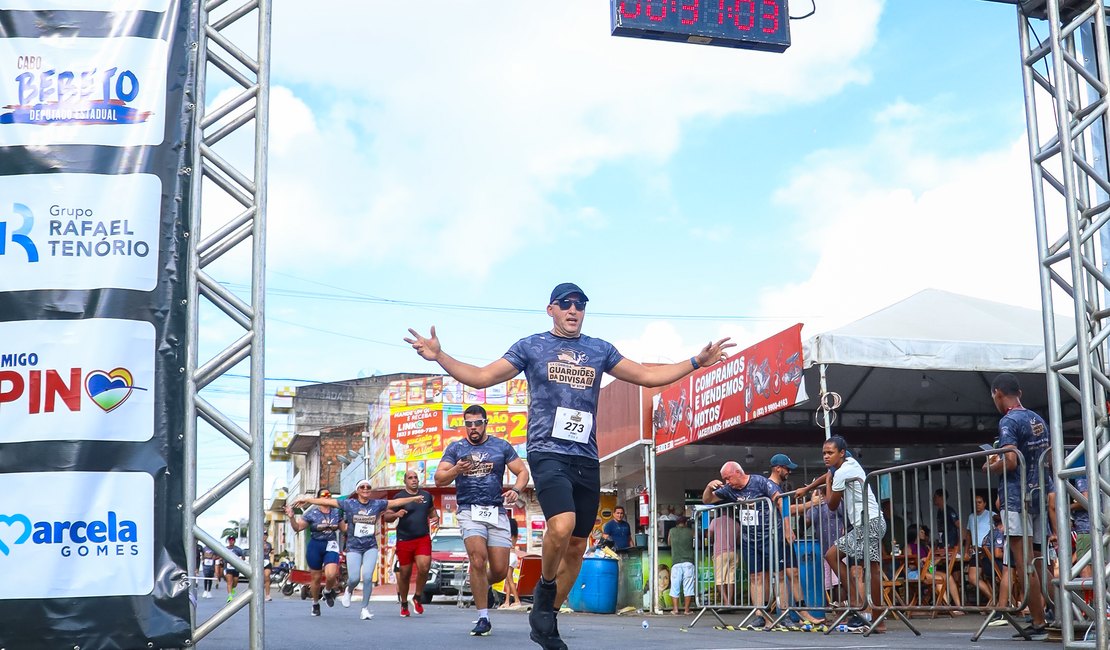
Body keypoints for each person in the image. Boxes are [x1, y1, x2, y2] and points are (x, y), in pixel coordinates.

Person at [407, 282, 734, 650]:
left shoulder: (598, 350)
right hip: (548, 452)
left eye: (580, 305)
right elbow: (482, 377)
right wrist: (440, 356)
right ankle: (545, 593)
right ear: (551, 310)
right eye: (566, 305)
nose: (573, 310)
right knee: (560, 526)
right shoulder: (532, 346)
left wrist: (695, 362)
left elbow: (645, 376)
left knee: (578, 545)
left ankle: (547, 620)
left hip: (585, 457)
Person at [435, 404, 530, 637]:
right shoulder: (456, 448)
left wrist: (516, 490)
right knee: (478, 560)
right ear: (465, 425)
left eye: (478, 423)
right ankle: (483, 617)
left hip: (496, 511)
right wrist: (457, 469)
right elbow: (439, 479)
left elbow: (522, 472)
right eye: (469, 424)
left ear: (486, 423)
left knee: (498, 571)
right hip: (469, 510)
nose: (473, 428)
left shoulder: (501, 446)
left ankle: (477, 583)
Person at [983, 373, 1054, 641]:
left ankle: (1038, 621)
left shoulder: (1008, 421)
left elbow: (1011, 461)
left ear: (998, 393)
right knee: (1040, 561)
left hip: (1016, 499)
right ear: (1020, 392)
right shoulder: (1038, 419)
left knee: (1024, 563)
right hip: (1038, 495)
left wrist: (991, 465)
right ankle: (1057, 615)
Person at [292, 480, 425, 621]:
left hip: (370, 546)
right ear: (358, 490)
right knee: (354, 578)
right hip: (353, 547)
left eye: (368, 487)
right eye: (362, 487)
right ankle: (349, 589)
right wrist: (305, 499)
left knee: (367, 577)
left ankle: (365, 609)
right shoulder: (350, 504)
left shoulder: (376, 504)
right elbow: (329, 502)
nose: (366, 489)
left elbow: (395, 502)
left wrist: (414, 498)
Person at [702, 461, 779, 629]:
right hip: (748, 538)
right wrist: (709, 487)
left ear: (738, 472)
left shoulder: (758, 482)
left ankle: (778, 613)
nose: (727, 482)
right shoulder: (730, 490)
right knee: (754, 577)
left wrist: (786, 526)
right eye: (724, 479)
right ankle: (759, 614)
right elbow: (707, 499)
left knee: (773, 574)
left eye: (728, 478)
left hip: (768, 535)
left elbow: (778, 500)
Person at [822, 435, 886, 634]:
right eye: (824, 453)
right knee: (832, 555)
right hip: (862, 525)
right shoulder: (849, 464)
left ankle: (878, 618)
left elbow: (832, 505)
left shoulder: (841, 473)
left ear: (841, 453)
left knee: (872, 568)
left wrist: (828, 482)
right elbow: (828, 474)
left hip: (870, 523)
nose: (825, 456)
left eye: (830, 453)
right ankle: (858, 604)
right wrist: (808, 487)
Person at [767, 453, 821, 627]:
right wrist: (789, 528)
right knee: (782, 575)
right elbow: (784, 509)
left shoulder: (778, 487)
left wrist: (808, 505)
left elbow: (786, 509)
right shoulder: (770, 486)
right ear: (778, 468)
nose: (789, 471)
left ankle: (801, 610)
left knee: (793, 573)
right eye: (787, 468)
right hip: (775, 535)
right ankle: (784, 614)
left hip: (781, 534)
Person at [383, 469, 439, 617]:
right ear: (405, 481)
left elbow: (432, 511)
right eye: (410, 478)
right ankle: (403, 603)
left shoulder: (426, 495)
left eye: (415, 477)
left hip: (422, 538)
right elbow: (386, 516)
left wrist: (435, 517)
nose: (414, 480)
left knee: (425, 566)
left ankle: (417, 597)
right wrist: (396, 514)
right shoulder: (399, 497)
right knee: (405, 574)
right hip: (404, 539)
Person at [284, 488, 344, 617]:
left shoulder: (336, 513)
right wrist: (292, 517)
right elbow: (298, 528)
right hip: (315, 546)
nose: (327, 497)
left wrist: (358, 520)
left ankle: (327, 591)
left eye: (329, 495)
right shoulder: (312, 513)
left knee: (331, 574)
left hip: (331, 544)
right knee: (316, 578)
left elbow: (344, 528)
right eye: (323, 495)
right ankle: (315, 603)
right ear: (318, 498)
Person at [705, 509, 739, 606]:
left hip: (720, 553)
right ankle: (730, 602)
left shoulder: (715, 521)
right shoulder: (736, 523)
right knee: (730, 579)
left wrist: (713, 541)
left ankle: (726, 602)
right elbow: (738, 540)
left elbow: (709, 535)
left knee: (719, 579)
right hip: (733, 553)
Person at [667, 515, 695, 616]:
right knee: (688, 587)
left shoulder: (671, 531)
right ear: (686, 523)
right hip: (688, 562)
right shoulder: (691, 531)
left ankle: (675, 610)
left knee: (675, 587)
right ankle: (687, 610)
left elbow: (669, 542)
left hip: (676, 562)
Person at [223, 535, 245, 603]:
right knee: (229, 582)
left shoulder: (238, 549)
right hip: (228, 567)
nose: (231, 541)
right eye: (230, 540)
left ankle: (232, 589)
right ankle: (230, 596)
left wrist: (240, 560)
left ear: (234, 541)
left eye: (232, 540)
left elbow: (243, 557)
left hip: (235, 568)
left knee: (235, 582)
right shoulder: (225, 549)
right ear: (228, 541)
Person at [262, 531, 274, 602]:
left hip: (266, 562)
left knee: (267, 577)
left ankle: (267, 595)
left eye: (266, 535)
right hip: (259, 563)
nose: (264, 536)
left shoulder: (269, 544)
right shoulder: (257, 543)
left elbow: (270, 551)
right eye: (263, 535)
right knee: (260, 579)